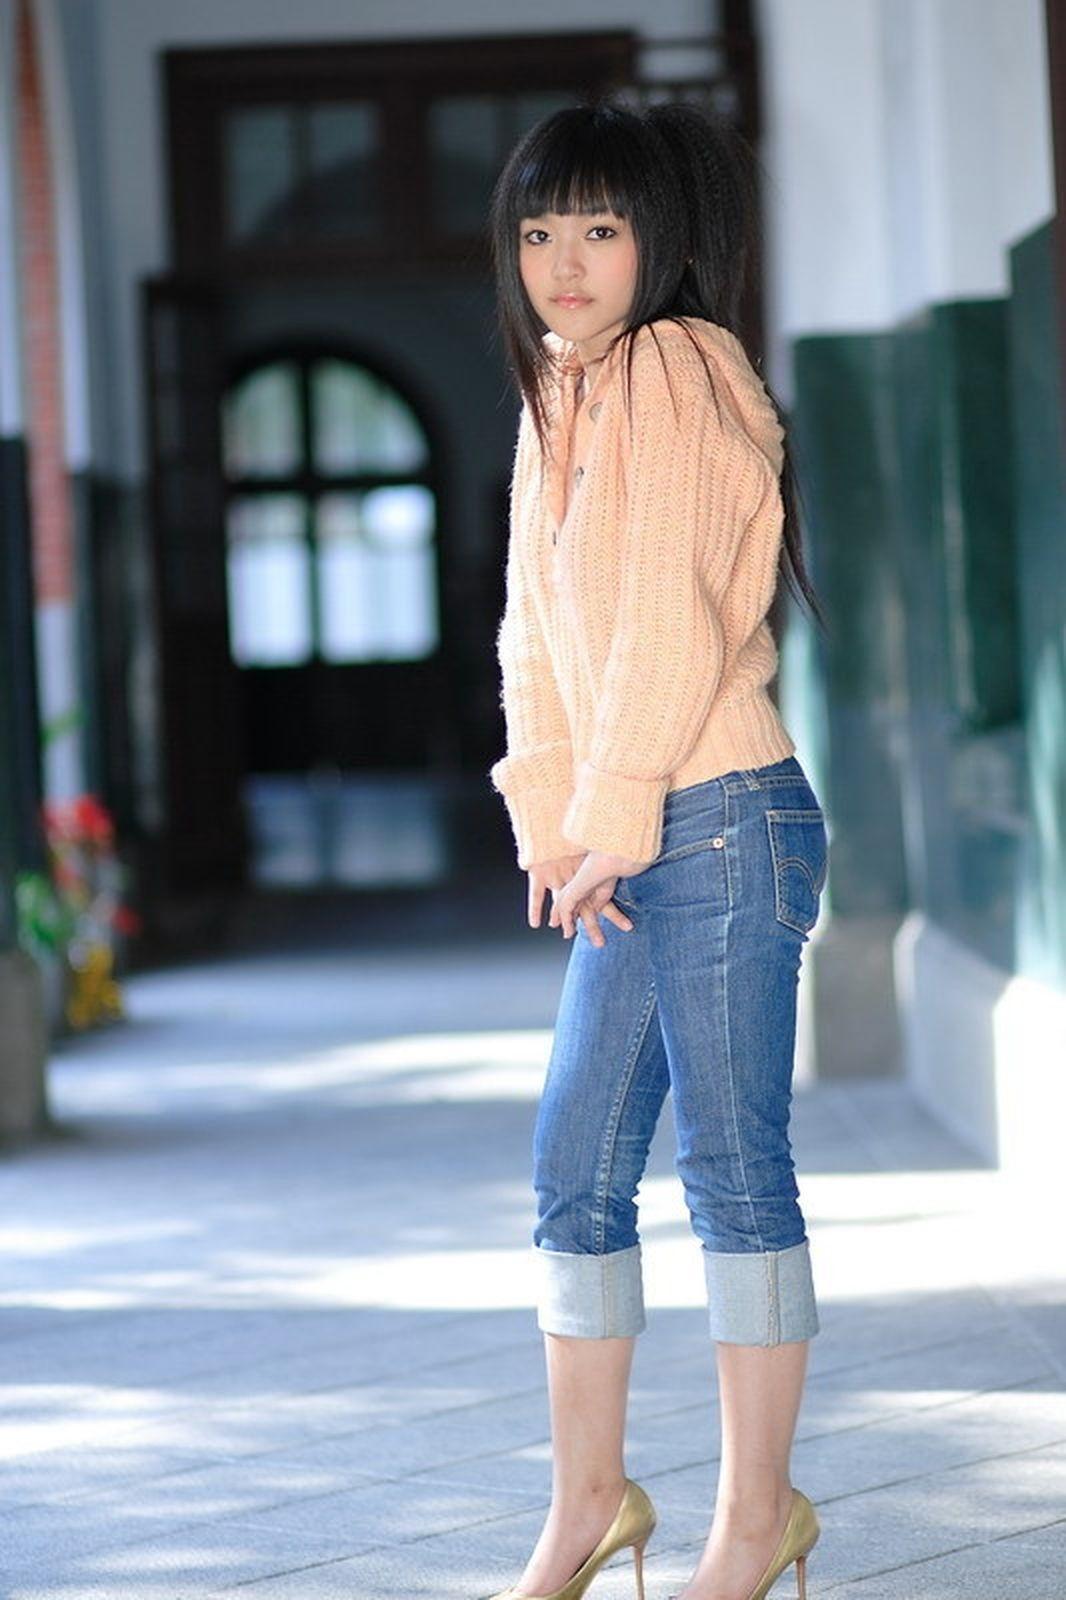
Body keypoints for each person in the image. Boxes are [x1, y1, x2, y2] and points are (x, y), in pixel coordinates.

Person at [486, 95, 829, 1600]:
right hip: (632, 833)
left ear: (661, 240)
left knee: (733, 1169)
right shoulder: (556, 396)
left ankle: (756, 1520)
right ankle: (590, 1504)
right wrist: (556, 819)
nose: (562, 263)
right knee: (573, 1165)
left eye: (600, 228)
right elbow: (531, 635)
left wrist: (610, 818)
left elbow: (668, 629)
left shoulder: (681, 368)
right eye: (537, 230)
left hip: (724, 819)